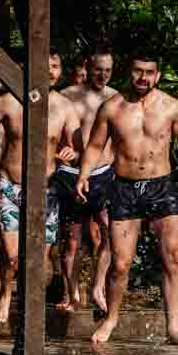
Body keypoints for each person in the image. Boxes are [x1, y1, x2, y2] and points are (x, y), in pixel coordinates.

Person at [76, 50, 178, 346]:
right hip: (125, 188)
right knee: (121, 263)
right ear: (130, 72)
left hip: (161, 187)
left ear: (158, 75)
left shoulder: (172, 107)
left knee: (174, 257)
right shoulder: (112, 108)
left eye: (149, 72)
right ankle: (112, 318)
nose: (143, 77)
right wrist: (83, 175)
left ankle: (173, 327)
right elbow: (94, 146)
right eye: (138, 71)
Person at [0, 77, 80, 326]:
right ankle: (6, 293)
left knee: (39, 260)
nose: (50, 71)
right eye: (46, 65)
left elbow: (79, 148)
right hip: (10, 186)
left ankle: (29, 306)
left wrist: (73, 153)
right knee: (13, 257)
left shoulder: (65, 107)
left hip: (46, 191)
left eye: (55, 66)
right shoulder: (10, 102)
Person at [52, 49, 117, 311]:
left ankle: (97, 286)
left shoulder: (116, 98)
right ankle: (72, 293)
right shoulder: (67, 97)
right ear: (88, 67)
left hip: (104, 173)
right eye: (98, 69)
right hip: (71, 173)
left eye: (108, 70)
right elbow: (50, 133)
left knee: (110, 231)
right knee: (72, 239)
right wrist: (59, 154)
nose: (102, 75)